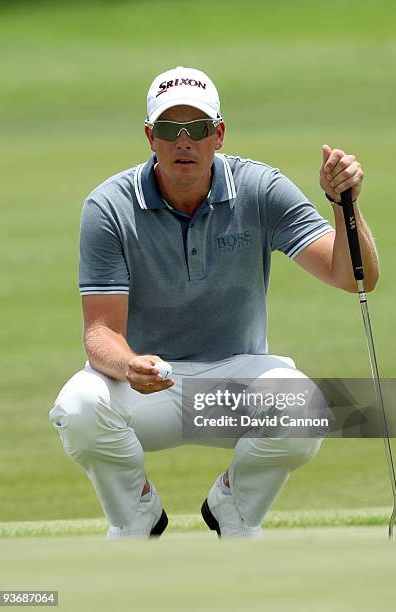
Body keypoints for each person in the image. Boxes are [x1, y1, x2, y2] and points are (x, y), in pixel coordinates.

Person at [49, 66, 378, 539]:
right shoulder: (109, 206)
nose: (183, 142)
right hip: (148, 389)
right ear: (150, 136)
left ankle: (235, 511)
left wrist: (344, 204)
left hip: (229, 387)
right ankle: (136, 514)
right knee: (79, 408)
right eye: (168, 129)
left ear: (218, 134)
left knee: (305, 407)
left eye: (197, 128)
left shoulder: (261, 189)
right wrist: (128, 366)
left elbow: (353, 277)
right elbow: (100, 331)